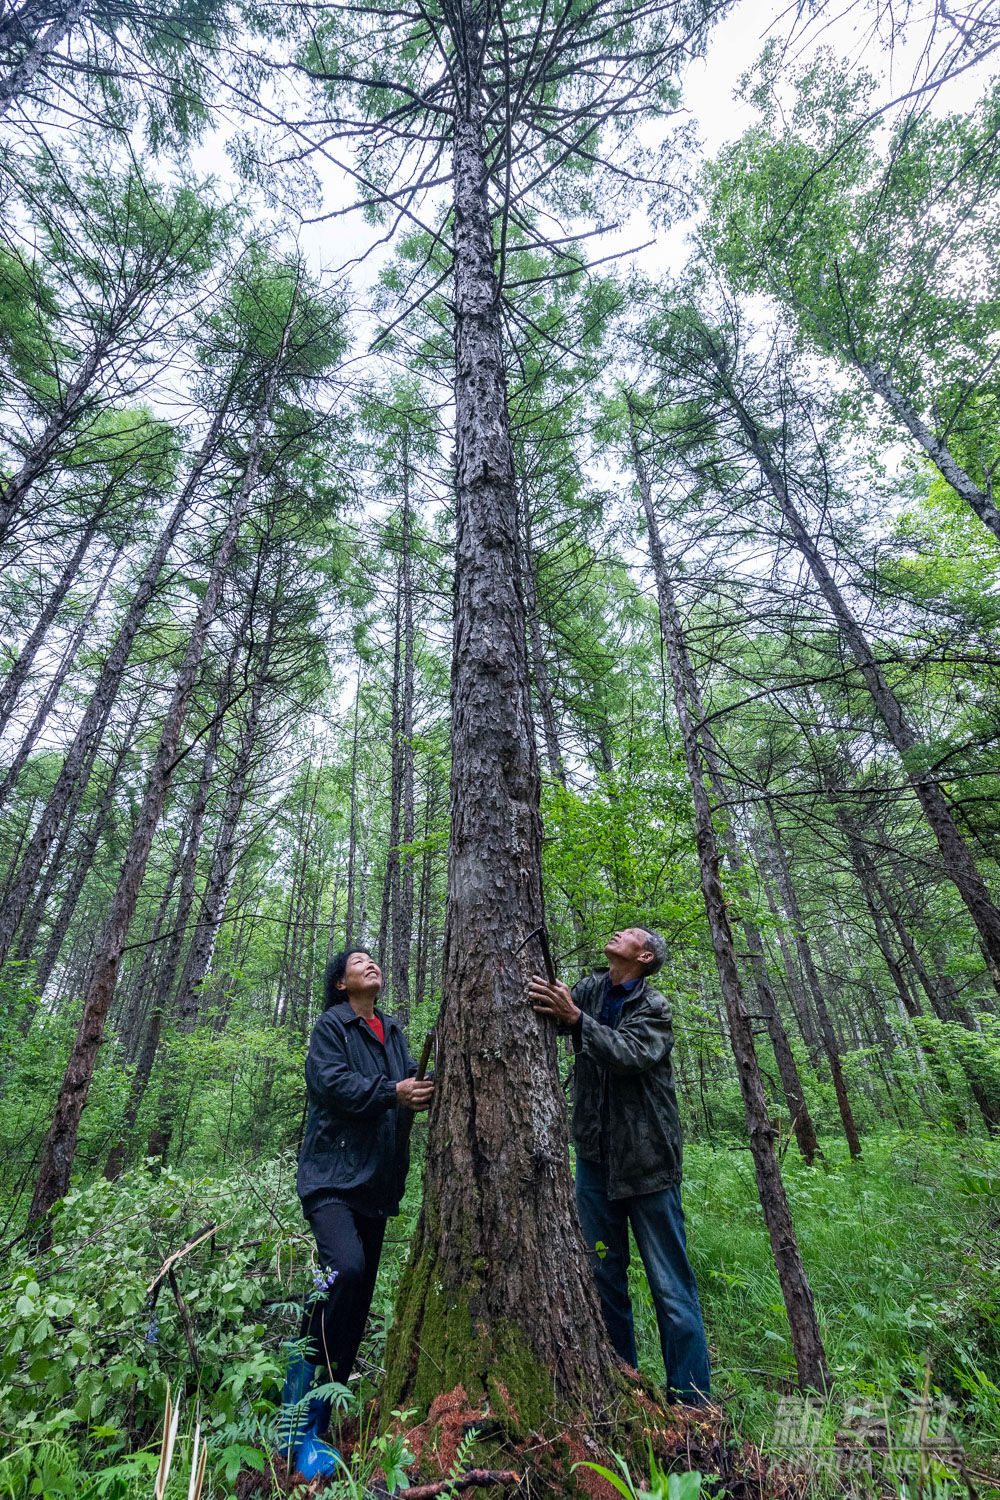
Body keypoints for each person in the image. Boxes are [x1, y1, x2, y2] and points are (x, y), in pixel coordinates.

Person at [529, 925, 710, 1405]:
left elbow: (630, 1053)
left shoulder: (654, 1007)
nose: (617, 932)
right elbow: (559, 1010)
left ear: (645, 956)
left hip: (648, 1165)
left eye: (630, 933)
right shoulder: (591, 988)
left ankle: (692, 1402)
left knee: (670, 1287)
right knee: (603, 1278)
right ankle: (622, 1389)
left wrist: (576, 1020)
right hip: (594, 1163)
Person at [279, 947, 434, 1480]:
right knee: (343, 1268)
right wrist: (394, 1092)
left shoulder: (393, 1031)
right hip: (330, 1178)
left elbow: (412, 1079)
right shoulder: (332, 1026)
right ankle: (294, 1420)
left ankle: (317, 1424)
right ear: (341, 984)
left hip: (376, 1185)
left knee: (356, 1302)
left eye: (374, 959)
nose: (371, 964)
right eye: (358, 961)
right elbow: (331, 1084)